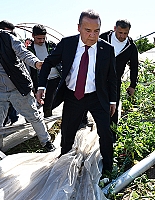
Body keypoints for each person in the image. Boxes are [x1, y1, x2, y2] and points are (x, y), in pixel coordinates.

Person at [36, 9, 117, 173]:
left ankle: (108, 167)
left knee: (106, 134)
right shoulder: (68, 44)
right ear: (79, 27)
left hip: (97, 97)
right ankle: (63, 162)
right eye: (88, 30)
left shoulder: (106, 49)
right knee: (67, 131)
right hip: (73, 96)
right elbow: (48, 63)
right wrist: (41, 86)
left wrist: (113, 101)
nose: (92, 36)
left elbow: (112, 77)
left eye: (96, 31)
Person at [0, 8, 55, 152]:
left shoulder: (6, 37)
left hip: (17, 86)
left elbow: (23, 52)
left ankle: (46, 142)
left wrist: (36, 63)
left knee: (34, 116)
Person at [99, 19, 139, 142]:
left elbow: (134, 67)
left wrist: (132, 85)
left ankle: (112, 135)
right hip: (98, 78)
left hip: (115, 81)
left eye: (125, 33)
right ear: (115, 29)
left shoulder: (130, 47)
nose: (122, 36)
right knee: (91, 101)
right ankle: (84, 121)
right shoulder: (103, 38)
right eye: (120, 32)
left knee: (113, 107)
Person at [27, 24, 61, 117]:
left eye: (43, 38)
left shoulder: (51, 45)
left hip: (54, 78)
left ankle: (48, 120)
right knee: (40, 103)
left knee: (50, 102)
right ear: (33, 36)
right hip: (40, 80)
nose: (41, 41)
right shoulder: (29, 50)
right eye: (39, 38)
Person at [0, 20, 19, 126]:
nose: (8, 36)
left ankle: (12, 119)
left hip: (14, 82)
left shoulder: (13, 42)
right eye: (6, 32)